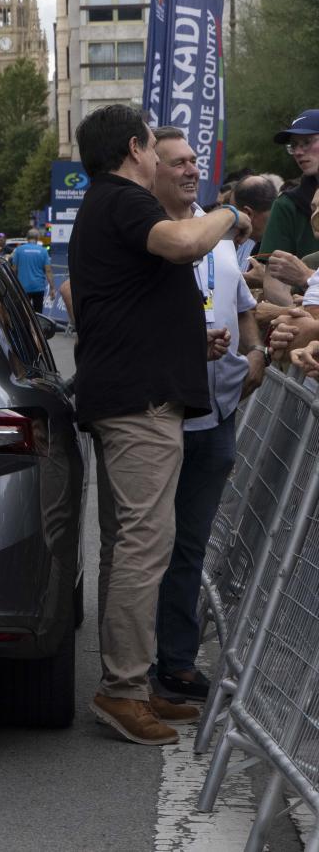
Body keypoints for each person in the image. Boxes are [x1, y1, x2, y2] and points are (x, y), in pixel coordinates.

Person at [68, 104, 247, 747]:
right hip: (139, 407)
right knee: (145, 549)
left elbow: (124, 304)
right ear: (138, 147)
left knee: (127, 548)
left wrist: (184, 341)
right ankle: (123, 690)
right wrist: (232, 214)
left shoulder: (106, 204)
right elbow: (185, 242)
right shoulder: (123, 199)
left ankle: (132, 685)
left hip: (131, 393)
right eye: (155, 147)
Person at [147, 128, 265, 704]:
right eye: (178, 163)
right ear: (153, 171)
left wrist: (256, 352)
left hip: (216, 417)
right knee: (146, 547)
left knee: (190, 546)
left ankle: (176, 663)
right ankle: (132, 666)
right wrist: (187, 344)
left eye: (195, 161)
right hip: (160, 417)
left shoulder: (218, 235)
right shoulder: (148, 233)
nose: (192, 170)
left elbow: (243, 306)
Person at [259, 111, 319, 306]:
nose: (298, 152)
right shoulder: (287, 205)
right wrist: (299, 318)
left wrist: (307, 277)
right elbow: (274, 282)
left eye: (307, 142)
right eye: (293, 145)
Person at [10, 232, 52, 315]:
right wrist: (53, 288)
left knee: (23, 313)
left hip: (23, 288)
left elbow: (14, 270)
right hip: (38, 287)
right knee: (38, 314)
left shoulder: (19, 250)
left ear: (27, 238)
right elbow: (48, 271)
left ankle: (26, 327)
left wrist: (11, 285)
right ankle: (38, 327)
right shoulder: (43, 251)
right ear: (37, 238)